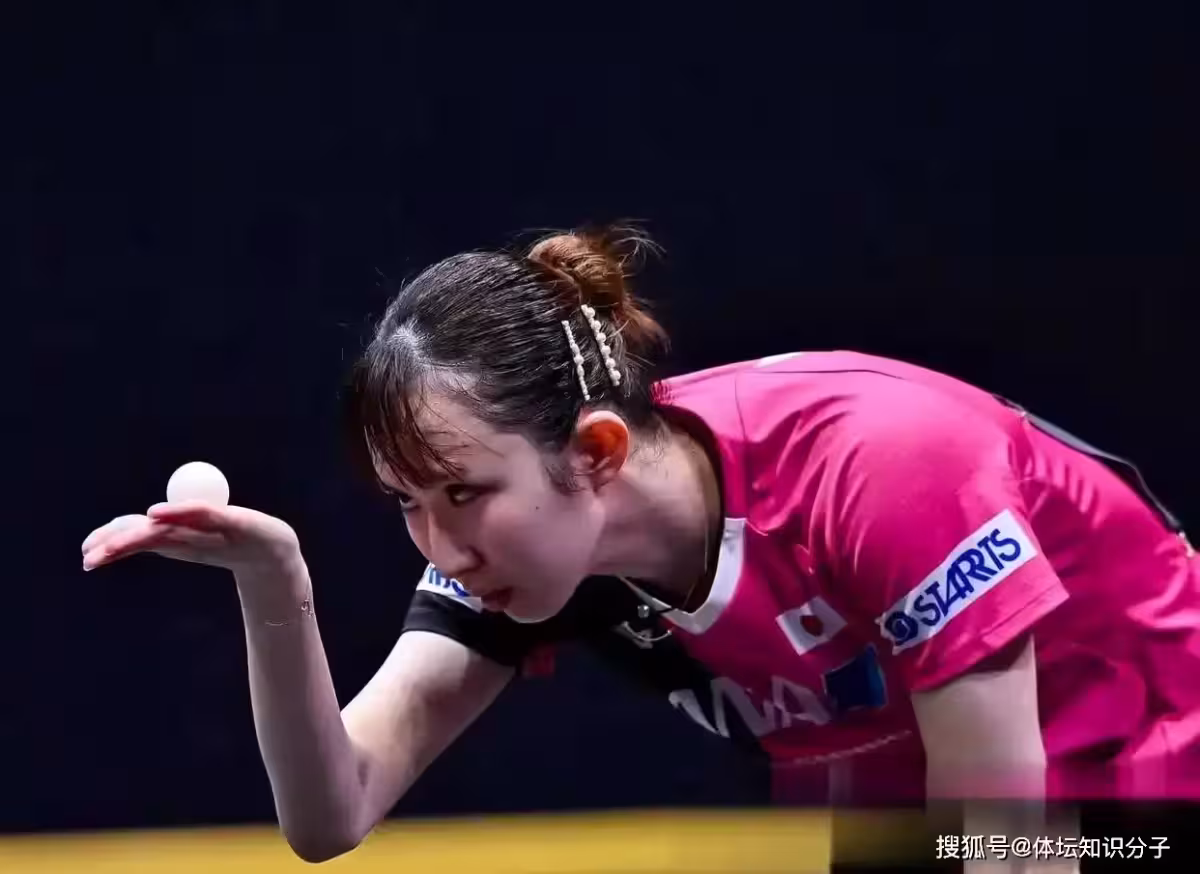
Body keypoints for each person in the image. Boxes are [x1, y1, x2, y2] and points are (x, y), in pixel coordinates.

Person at [80, 224, 1199, 864]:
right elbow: (332, 814)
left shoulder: (876, 465)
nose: (441, 545)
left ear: (598, 451)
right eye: (405, 503)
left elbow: (1001, 833)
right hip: (927, 798)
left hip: (1152, 756)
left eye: (463, 492)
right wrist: (274, 584)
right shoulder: (535, 552)